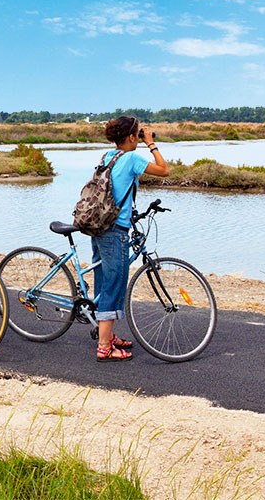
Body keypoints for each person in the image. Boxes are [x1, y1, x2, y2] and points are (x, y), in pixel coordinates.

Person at [92, 115, 169, 362]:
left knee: (104, 280)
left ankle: (108, 334)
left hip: (100, 225)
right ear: (133, 137)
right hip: (114, 230)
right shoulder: (133, 158)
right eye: (139, 134)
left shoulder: (108, 156)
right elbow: (164, 170)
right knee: (114, 284)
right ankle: (104, 346)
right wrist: (152, 144)